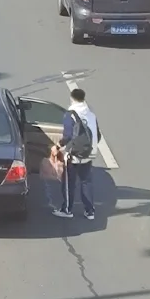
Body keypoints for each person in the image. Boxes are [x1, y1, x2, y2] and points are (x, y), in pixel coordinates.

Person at [55, 88, 100, 220]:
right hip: (88, 153)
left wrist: (58, 146)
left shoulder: (70, 115)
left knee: (69, 183)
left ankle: (67, 210)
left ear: (72, 98)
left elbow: (68, 136)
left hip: (74, 155)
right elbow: (98, 135)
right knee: (86, 182)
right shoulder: (91, 115)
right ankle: (90, 211)